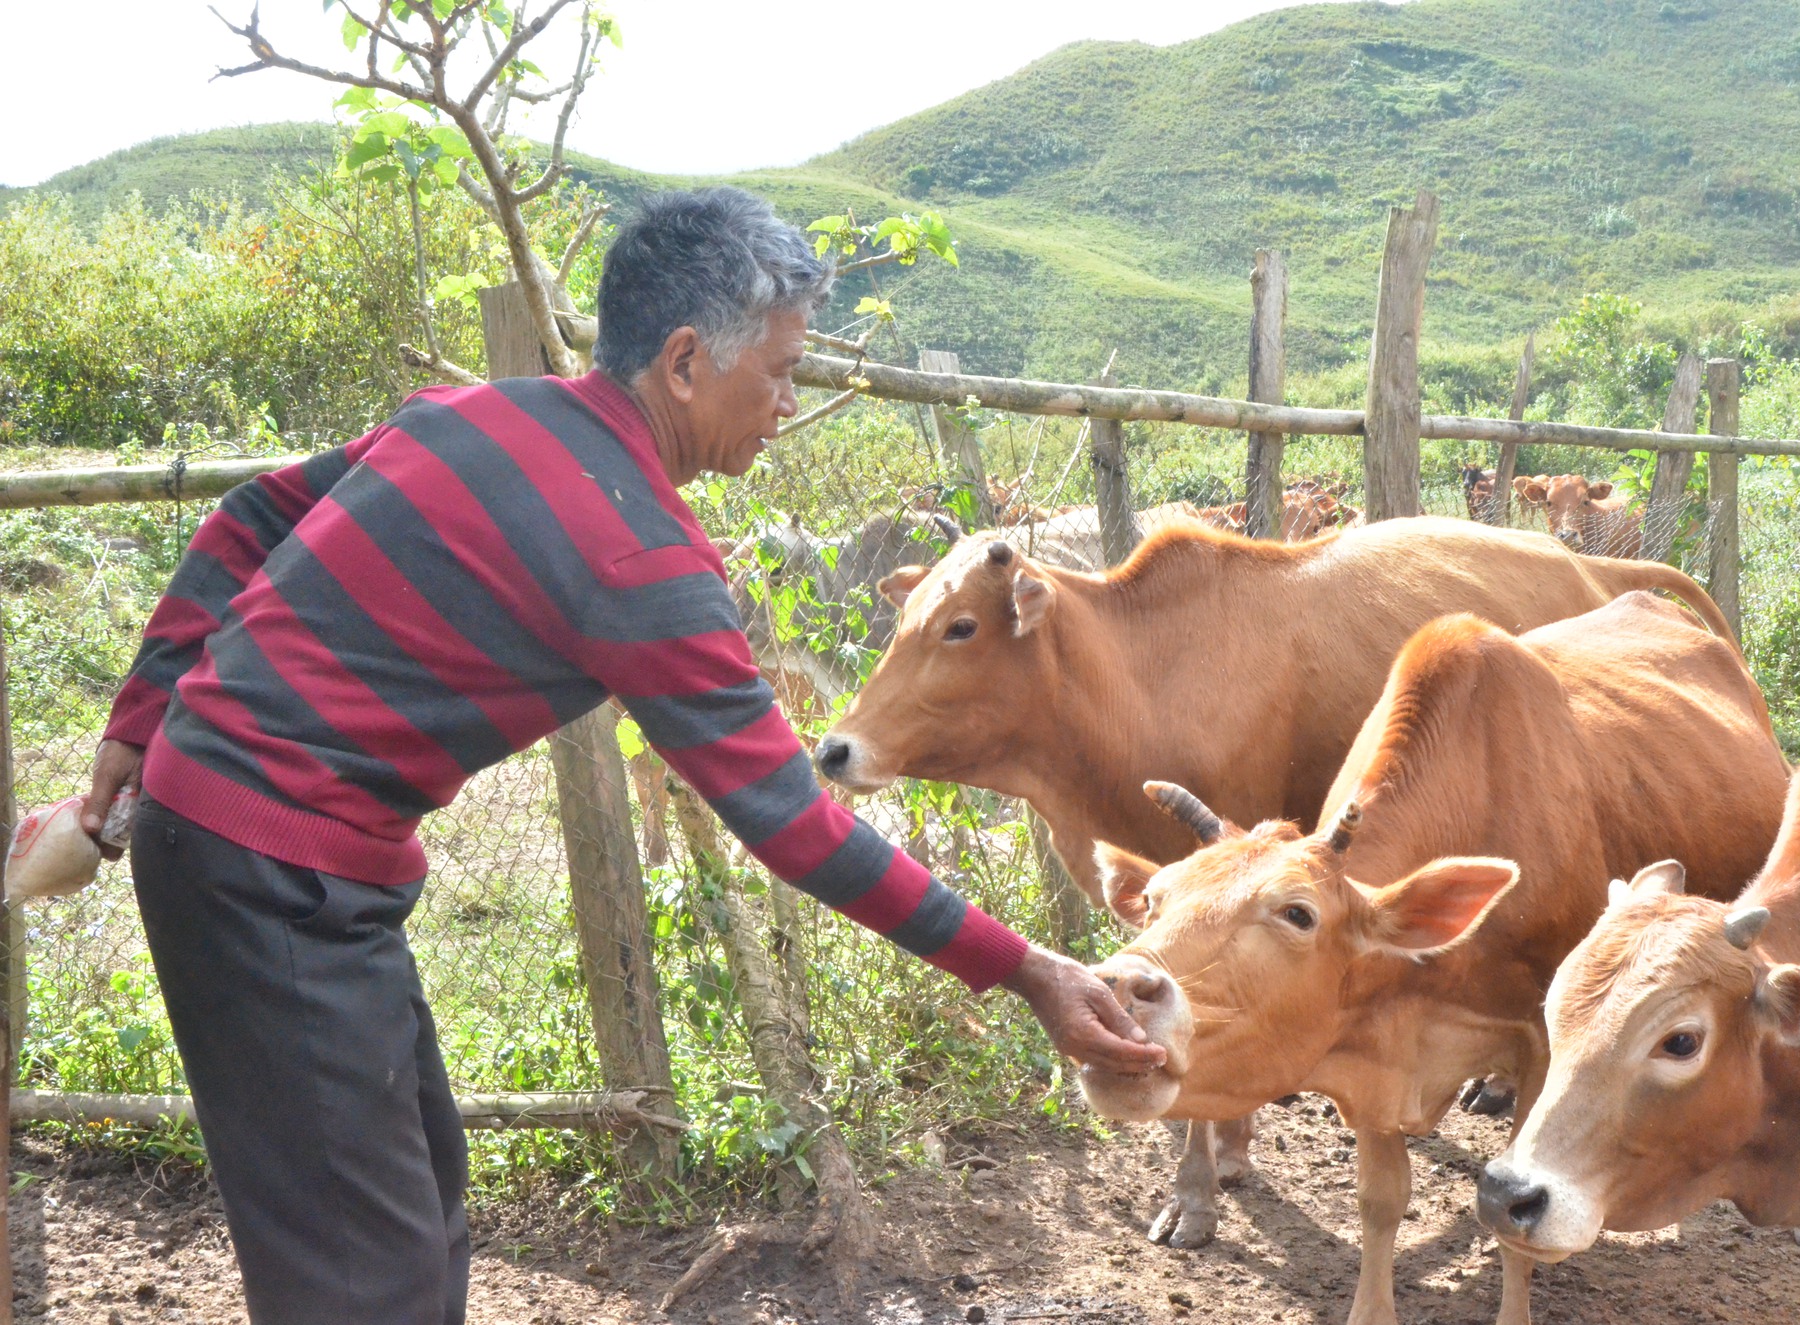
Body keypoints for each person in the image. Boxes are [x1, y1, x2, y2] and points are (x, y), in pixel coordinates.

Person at [79, 186, 1162, 1325]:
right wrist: (1029, 968)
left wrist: (135, 721)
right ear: (686, 361)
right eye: (780, 371)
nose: (786, 405)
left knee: (419, 1206)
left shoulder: (470, 413)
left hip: (289, 859)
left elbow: (249, 515)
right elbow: (795, 820)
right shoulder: (643, 559)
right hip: (268, 873)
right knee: (364, 1280)